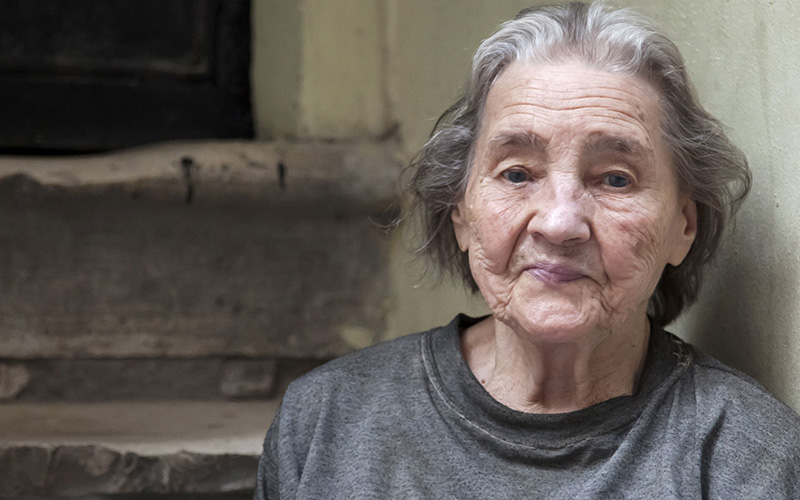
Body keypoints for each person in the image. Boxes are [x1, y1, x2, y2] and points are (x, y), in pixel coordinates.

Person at [255, 2, 800, 498]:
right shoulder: (327, 421)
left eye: (614, 179)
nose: (561, 223)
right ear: (461, 214)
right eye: (517, 173)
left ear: (683, 225)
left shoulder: (743, 454)